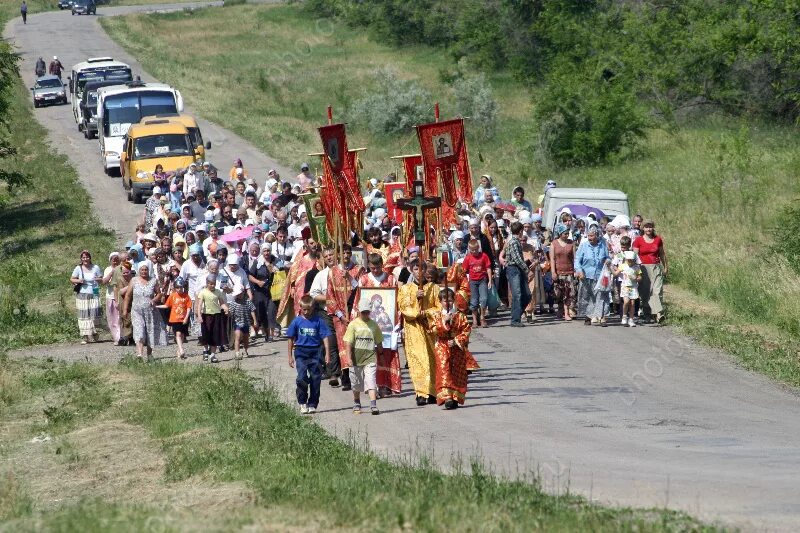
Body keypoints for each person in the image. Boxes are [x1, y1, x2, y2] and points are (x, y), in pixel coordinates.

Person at [352, 253, 401, 397]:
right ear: (369, 267)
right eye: (372, 268)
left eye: (378, 268)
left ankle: (385, 385)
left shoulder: (391, 279)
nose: (375, 271)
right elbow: (358, 302)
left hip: (386, 328)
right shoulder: (364, 280)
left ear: (382, 265)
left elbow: (396, 302)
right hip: (369, 326)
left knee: (386, 355)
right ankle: (372, 386)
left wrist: (396, 322)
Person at [398, 260, 440, 406]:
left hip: (429, 327)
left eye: (422, 269)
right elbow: (403, 307)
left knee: (431, 359)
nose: (419, 272)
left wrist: (426, 312)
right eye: (416, 269)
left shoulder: (433, 288)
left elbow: (439, 307)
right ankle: (420, 393)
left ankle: (433, 392)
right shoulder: (405, 289)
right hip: (413, 328)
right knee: (418, 360)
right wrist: (416, 300)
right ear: (411, 270)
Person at [310, 247, 353, 389]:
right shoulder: (321, 275)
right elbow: (314, 295)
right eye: (326, 255)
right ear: (323, 258)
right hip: (327, 312)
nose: (329, 257)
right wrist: (330, 299)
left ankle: (349, 373)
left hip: (345, 311)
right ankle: (334, 373)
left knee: (347, 342)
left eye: (331, 255)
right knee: (332, 343)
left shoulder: (344, 271)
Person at [287, 295, 331, 415]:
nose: (306, 312)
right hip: (301, 352)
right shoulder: (296, 321)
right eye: (304, 309)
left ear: (313, 308)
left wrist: (327, 353)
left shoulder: (318, 321)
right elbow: (290, 339)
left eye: (309, 309)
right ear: (300, 307)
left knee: (316, 378)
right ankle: (302, 402)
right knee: (301, 377)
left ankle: (312, 403)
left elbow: (325, 337)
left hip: (316, 352)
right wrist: (290, 356)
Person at [432, 288, 471, 409]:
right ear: (440, 301)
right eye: (444, 300)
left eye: (450, 300)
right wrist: (444, 322)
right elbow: (433, 329)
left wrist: (456, 341)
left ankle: (455, 396)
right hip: (442, 346)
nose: (447, 303)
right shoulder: (437, 315)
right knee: (444, 370)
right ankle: (447, 397)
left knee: (456, 372)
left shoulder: (460, 316)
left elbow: (467, 330)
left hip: (456, 348)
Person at [343, 300, 383, 415]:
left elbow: (379, 341)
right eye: (363, 312)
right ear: (359, 312)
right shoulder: (353, 325)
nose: (365, 315)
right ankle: (357, 402)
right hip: (356, 358)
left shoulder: (374, 325)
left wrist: (381, 355)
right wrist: (349, 358)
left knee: (371, 380)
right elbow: (348, 343)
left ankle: (373, 405)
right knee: (356, 383)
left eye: (367, 312)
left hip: (370, 357)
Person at [124, 262, 167, 361]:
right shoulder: (134, 280)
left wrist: (154, 300)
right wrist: (125, 310)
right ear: (139, 270)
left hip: (150, 312)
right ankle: (139, 354)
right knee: (139, 331)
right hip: (137, 311)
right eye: (142, 270)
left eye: (146, 270)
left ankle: (149, 354)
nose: (144, 271)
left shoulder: (153, 281)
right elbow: (128, 295)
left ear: (149, 270)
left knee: (149, 331)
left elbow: (159, 294)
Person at [574, 226, 611, 326]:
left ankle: (602, 317)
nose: (590, 238)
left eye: (592, 236)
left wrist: (608, 260)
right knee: (587, 296)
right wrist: (579, 270)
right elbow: (577, 260)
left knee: (601, 295)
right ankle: (588, 316)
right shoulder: (584, 246)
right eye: (588, 236)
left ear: (597, 235)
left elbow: (607, 257)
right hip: (586, 275)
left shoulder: (602, 245)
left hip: (600, 275)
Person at [633, 219, 668, 323]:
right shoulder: (638, 240)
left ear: (653, 228)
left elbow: (662, 254)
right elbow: (635, 256)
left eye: (650, 227)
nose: (648, 229)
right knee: (645, 293)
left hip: (656, 267)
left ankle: (659, 313)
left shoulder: (658, 239)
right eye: (646, 227)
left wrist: (665, 267)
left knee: (657, 291)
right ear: (643, 228)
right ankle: (647, 313)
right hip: (643, 268)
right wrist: (636, 270)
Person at [70, 250, 103, 344]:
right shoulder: (78, 268)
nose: (85, 259)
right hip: (82, 293)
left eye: (87, 257)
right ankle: (85, 336)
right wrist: (79, 280)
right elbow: (72, 279)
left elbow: (101, 279)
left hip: (94, 292)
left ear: (90, 258)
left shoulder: (95, 267)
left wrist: (96, 279)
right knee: (84, 315)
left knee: (94, 313)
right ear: (81, 259)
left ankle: (95, 332)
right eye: (83, 257)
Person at [194, 274, 229, 363]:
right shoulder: (203, 292)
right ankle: (205, 350)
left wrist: (225, 308)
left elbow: (221, 302)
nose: (213, 286)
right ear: (207, 283)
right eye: (211, 284)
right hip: (206, 316)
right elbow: (200, 305)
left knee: (215, 335)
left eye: (214, 284)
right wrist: (199, 315)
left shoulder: (218, 292)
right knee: (206, 334)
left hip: (216, 315)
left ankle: (213, 354)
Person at [504, 222, 533, 327]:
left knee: (527, 295)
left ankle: (516, 315)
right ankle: (515, 320)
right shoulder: (513, 242)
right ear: (520, 231)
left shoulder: (515, 241)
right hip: (514, 269)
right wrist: (527, 270)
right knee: (517, 294)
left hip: (518, 269)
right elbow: (517, 259)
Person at [462, 240, 492, 328]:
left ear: (478, 248)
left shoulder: (484, 256)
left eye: (475, 250)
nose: (474, 252)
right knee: (474, 301)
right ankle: (475, 320)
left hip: (482, 280)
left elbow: (488, 268)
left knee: (484, 299)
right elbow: (464, 270)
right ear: (469, 249)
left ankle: (482, 318)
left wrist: (490, 280)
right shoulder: (468, 258)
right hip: (473, 281)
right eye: (472, 250)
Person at [549, 224, 575, 321]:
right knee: (558, 293)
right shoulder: (554, 243)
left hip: (569, 271)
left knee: (568, 293)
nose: (566, 235)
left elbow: (574, 258)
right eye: (565, 233)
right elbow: (552, 259)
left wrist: (575, 270)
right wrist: (553, 272)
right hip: (558, 271)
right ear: (560, 233)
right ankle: (560, 309)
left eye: (568, 233)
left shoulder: (571, 243)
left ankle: (566, 312)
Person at [164, 276, 192, 358]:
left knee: (182, 335)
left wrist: (186, 318)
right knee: (178, 334)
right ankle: (182, 350)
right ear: (175, 288)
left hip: (183, 319)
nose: (179, 289)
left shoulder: (186, 296)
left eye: (181, 287)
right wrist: (156, 306)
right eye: (177, 288)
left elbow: (189, 308)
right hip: (175, 319)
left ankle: (179, 350)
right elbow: (166, 305)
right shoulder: (172, 296)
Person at [229, 289, 258, 359]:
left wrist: (255, 320)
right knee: (237, 337)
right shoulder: (233, 303)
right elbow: (230, 314)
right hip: (237, 323)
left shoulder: (248, 301)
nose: (239, 295)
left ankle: (245, 350)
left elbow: (252, 310)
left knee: (246, 338)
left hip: (246, 323)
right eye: (238, 294)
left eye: (240, 293)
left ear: (243, 292)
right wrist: (228, 312)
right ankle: (237, 353)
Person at [616, 251, 642, 327]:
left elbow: (640, 278)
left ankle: (631, 319)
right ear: (626, 259)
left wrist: (636, 278)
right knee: (626, 302)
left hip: (633, 287)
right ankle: (624, 316)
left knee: (632, 303)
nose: (630, 261)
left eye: (632, 260)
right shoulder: (623, 266)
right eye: (628, 260)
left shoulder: (636, 267)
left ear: (634, 260)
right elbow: (616, 273)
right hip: (625, 286)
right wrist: (609, 268)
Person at [101, 252, 122, 344]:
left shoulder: (122, 268)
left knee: (121, 317)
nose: (115, 261)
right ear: (110, 261)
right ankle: (116, 338)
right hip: (111, 296)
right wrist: (112, 272)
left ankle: (123, 336)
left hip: (121, 296)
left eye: (117, 259)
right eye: (113, 260)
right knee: (112, 318)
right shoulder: (107, 269)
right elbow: (104, 281)